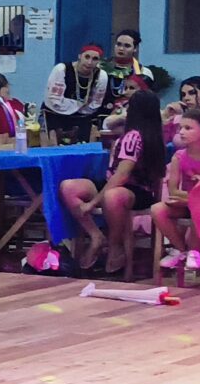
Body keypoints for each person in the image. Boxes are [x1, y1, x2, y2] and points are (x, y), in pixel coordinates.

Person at [59, 90, 165, 276]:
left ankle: (115, 244)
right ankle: (96, 235)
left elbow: (122, 175)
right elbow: (110, 124)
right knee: (68, 187)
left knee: (112, 196)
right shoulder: (150, 134)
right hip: (115, 182)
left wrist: (93, 203)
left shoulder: (135, 136)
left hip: (136, 189)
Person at [154, 109, 200, 272]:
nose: (181, 132)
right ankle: (181, 249)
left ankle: (195, 251)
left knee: (199, 206)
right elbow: (173, 190)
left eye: (188, 128)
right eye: (180, 128)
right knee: (157, 209)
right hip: (186, 202)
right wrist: (191, 197)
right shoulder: (179, 157)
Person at [42, 45, 112, 144]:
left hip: (83, 116)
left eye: (95, 59)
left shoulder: (101, 76)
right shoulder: (62, 69)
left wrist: (77, 108)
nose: (89, 62)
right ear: (79, 56)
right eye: (87, 57)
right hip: (54, 114)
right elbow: (55, 100)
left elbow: (95, 104)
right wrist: (79, 105)